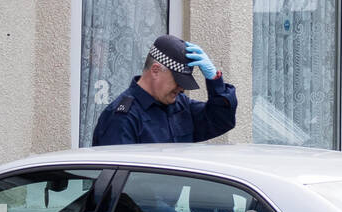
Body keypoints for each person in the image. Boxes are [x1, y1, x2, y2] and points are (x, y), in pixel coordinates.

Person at [91, 34, 237, 146]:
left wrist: (214, 80)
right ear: (155, 71)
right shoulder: (122, 118)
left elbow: (220, 121)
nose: (181, 89)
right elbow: (120, 178)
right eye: (178, 81)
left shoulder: (180, 106)